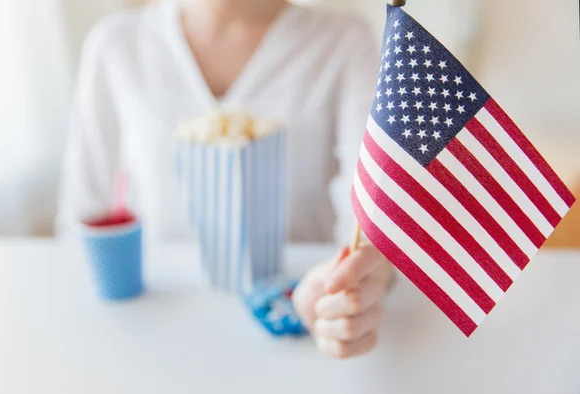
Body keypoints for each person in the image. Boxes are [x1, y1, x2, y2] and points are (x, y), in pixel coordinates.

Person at [56, 0, 395, 358]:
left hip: (297, 336)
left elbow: (370, 227)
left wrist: (346, 289)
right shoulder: (116, 44)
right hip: (150, 331)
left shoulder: (343, 41)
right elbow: (81, 216)